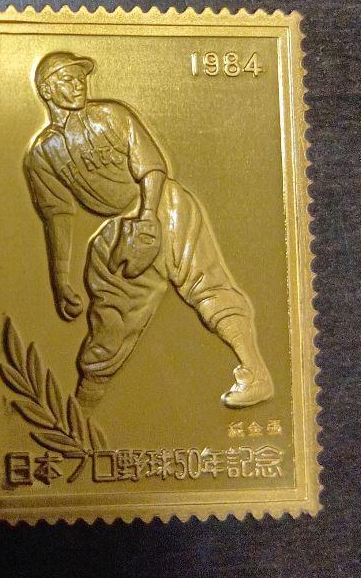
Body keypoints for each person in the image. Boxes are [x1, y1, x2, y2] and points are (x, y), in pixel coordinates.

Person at [23, 51, 274, 410]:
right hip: (117, 232)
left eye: (80, 77)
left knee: (206, 285)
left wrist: (148, 218)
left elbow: (152, 168)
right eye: (67, 79)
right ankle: (81, 416)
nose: (78, 84)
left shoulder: (111, 115)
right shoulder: (42, 154)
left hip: (162, 205)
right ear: (47, 90)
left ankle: (256, 375)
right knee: (111, 323)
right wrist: (61, 280)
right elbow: (57, 217)